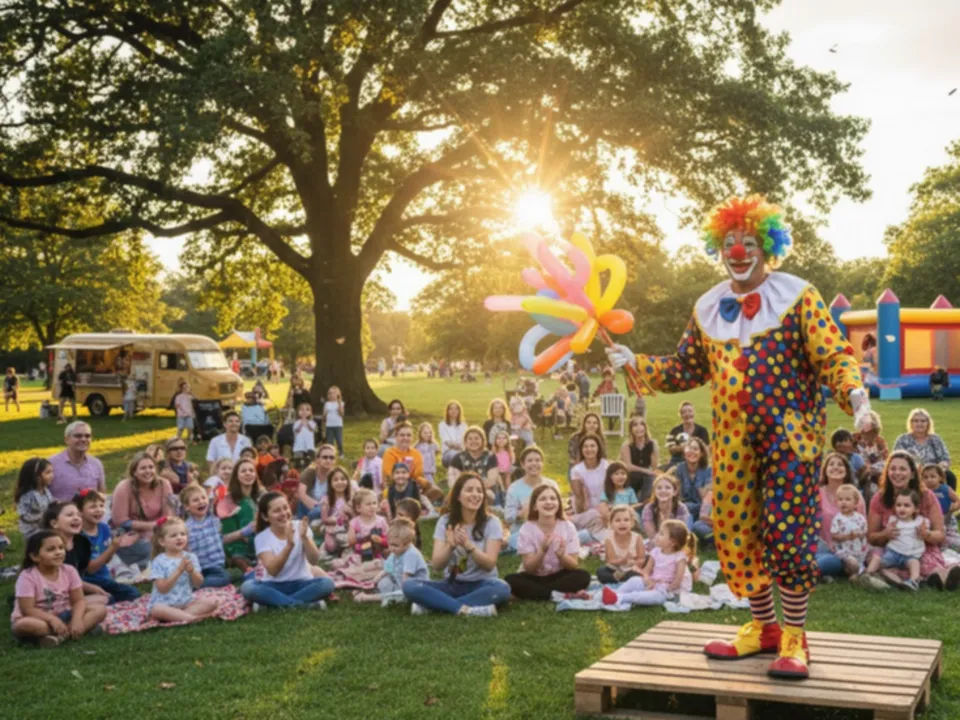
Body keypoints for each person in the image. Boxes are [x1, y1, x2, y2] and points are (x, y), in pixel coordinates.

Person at [607, 195, 870, 678]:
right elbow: (685, 366)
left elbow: (832, 354)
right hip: (731, 444)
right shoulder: (708, 305)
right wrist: (636, 362)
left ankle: (794, 637)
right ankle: (763, 627)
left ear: (767, 246)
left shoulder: (797, 295)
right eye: (730, 242)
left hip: (790, 440)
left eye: (749, 242)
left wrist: (854, 394)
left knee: (788, 535)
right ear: (719, 248)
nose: (739, 251)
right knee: (734, 531)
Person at [402, 473, 510, 616]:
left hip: (482, 584)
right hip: (452, 584)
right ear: (458, 496)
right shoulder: (445, 522)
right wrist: (450, 545)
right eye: (469, 490)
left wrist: (468, 545)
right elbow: (437, 565)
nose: (475, 494)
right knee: (409, 586)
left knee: (502, 588)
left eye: (479, 491)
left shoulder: (492, 522)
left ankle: (435, 605)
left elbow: (489, 564)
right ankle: (466, 609)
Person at [865, 450, 960, 591]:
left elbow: (940, 534)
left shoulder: (927, 496)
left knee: (925, 562)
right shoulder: (879, 498)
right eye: (893, 469)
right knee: (875, 557)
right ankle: (922, 578)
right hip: (890, 547)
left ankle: (939, 577)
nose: (897, 473)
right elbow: (871, 537)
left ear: (913, 474)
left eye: (903, 469)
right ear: (887, 472)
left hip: (919, 548)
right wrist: (885, 534)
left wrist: (926, 535)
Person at [11, 531, 107, 647]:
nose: (58, 552)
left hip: (65, 614)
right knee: (22, 625)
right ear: (35, 556)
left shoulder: (69, 570)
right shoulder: (27, 576)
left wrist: (77, 619)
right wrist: (52, 620)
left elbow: (78, 600)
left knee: (100, 610)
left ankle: (59, 635)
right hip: (39, 618)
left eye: (61, 548)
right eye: (51, 549)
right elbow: (28, 609)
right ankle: (77, 631)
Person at [240, 493, 335, 610]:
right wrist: (289, 545)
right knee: (248, 587)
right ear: (265, 517)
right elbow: (273, 571)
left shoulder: (301, 527)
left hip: (302, 583)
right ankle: (302, 605)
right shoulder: (261, 538)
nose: (284, 513)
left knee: (327, 583)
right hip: (274, 586)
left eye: (285, 508)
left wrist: (304, 537)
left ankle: (274, 605)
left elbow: (314, 560)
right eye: (277, 511)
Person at [505, 485, 591, 601]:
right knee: (510, 580)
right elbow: (529, 568)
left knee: (583, 576)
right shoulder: (527, 528)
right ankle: (556, 594)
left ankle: (541, 593)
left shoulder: (567, 527)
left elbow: (573, 565)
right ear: (535, 506)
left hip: (560, 575)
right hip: (534, 576)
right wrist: (541, 551)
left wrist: (562, 556)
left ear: (559, 504)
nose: (548, 502)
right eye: (543, 499)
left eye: (553, 498)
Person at [601, 519, 697, 607]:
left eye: (661, 534)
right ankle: (615, 593)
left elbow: (678, 580)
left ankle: (619, 598)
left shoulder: (679, 557)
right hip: (651, 583)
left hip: (665, 590)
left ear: (672, 542)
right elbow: (646, 571)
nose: (657, 536)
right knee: (635, 580)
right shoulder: (656, 551)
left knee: (647, 596)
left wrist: (667, 589)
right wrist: (647, 580)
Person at [110, 452, 176, 569]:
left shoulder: (164, 484)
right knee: (150, 549)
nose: (148, 471)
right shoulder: (124, 487)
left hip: (159, 531)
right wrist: (151, 526)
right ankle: (143, 564)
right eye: (143, 468)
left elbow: (168, 515)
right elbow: (119, 521)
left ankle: (149, 563)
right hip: (129, 534)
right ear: (134, 472)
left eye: (151, 467)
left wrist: (157, 530)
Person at [147, 517, 220, 622]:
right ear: (162, 541)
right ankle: (192, 618)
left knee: (212, 602)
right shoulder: (159, 561)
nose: (179, 538)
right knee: (156, 609)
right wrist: (178, 571)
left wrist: (192, 572)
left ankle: (177, 616)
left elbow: (199, 584)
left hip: (186, 603)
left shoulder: (191, 557)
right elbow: (162, 588)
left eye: (182, 534)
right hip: (165, 604)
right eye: (173, 535)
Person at [75, 489, 141, 602]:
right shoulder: (79, 536)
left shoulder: (104, 528)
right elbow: (90, 569)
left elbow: (106, 559)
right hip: (87, 581)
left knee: (133, 593)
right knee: (110, 599)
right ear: (80, 511)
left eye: (101, 506)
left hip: (104, 578)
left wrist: (118, 545)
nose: (99, 510)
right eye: (93, 507)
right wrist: (113, 548)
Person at [815, 452, 868, 581]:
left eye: (840, 465)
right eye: (831, 464)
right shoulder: (817, 494)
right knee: (822, 559)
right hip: (822, 547)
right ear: (825, 470)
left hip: (847, 550)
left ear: (847, 470)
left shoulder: (856, 496)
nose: (836, 467)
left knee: (830, 563)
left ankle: (821, 571)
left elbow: (862, 524)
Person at [354, 519, 429, 604]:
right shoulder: (395, 552)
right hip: (398, 583)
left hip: (414, 588)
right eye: (390, 544)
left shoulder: (411, 554)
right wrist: (374, 581)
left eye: (395, 545)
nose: (392, 548)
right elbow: (386, 570)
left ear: (407, 544)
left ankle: (368, 598)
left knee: (400, 595)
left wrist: (403, 592)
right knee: (383, 582)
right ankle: (376, 592)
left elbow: (406, 578)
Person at [864, 489, 926, 591]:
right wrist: (886, 532)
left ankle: (913, 581)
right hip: (893, 553)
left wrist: (924, 532)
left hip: (910, 556)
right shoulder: (893, 520)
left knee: (915, 564)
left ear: (916, 509)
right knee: (877, 559)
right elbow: (886, 533)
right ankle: (867, 574)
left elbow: (926, 532)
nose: (902, 508)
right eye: (898, 505)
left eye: (906, 505)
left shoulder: (920, 521)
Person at [503, 447, 560, 550]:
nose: (534, 464)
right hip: (523, 531)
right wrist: (521, 513)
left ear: (542, 463)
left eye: (537, 460)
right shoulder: (514, 488)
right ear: (523, 464)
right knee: (512, 540)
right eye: (530, 461)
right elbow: (508, 517)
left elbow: (560, 512)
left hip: (548, 528)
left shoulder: (551, 484)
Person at [218, 458, 264, 573]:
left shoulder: (260, 498)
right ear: (236, 476)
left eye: (251, 470)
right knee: (238, 558)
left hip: (259, 545)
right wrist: (244, 531)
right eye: (243, 471)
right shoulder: (228, 501)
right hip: (237, 549)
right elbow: (224, 539)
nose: (248, 473)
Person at [181, 485, 232, 588]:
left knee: (225, 576)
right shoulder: (186, 527)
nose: (201, 502)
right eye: (195, 500)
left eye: (203, 498)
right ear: (187, 506)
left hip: (216, 566)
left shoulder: (214, 520)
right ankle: (197, 584)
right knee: (226, 577)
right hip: (198, 569)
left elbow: (218, 503)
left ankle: (199, 584)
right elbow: (185, 549)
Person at [893, 408, 956, 490]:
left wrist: (941, 465)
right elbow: (896, 459)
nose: (919, 423)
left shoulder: (935, 439)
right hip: (911, 473)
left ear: (928, 423)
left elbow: (945, 458)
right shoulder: (903, 439)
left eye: (923, 421)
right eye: (916, 421)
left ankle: (950, 501)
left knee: (950, 476)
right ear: (911, 423)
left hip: (933, 473)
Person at [382, 422, 444, 503]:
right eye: (402, 435)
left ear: (412, 437)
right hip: (394, 486)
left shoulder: (416, 454)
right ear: (396, 437)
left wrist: (425, 483)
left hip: (414, 485)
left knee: (436, 491)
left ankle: (423, 505)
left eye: (408, 435)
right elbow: (391, 475)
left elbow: (418, 475)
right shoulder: (390, 453)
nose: (405, 438)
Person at [48, 421, 106, 501]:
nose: (83, 439)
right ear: (66, 439)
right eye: (78, 436)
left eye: (87, 436)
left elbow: (102, 495)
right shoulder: (51, 464)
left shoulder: (96, 464)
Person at [569, 434, 610, 541]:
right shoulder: (576, 470)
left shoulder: (606, 466)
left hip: (605, 506)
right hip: (586, 510)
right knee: (593, 515)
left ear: (598, 448)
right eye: (585, 446)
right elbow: (579, 500)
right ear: (581, 450)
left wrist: (605, 508)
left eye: (592, 446)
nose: (589, 449)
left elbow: (610, 492)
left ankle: (589, 533)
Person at [597, 505, 646, 584]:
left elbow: (642, 558)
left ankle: (621, 578)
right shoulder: (609, 539)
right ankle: (620, 578)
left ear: (632, 523)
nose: (622, 523)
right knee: (601, 571)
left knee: (636, 573)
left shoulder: (637, 537)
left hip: (633, 568)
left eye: (626, 520)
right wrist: (623, 560)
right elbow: (610, 560)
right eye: (618, 520)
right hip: (616, 569)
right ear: (611, 524)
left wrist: (634, 563)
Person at [829, 484, 870, 579]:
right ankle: (853, 575)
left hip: (859, 550)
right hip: (844, 552)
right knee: (852, 563)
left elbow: (865, 531)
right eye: (840, 500)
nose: (843, 502)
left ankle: (862, 572)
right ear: (836, 502)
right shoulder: (838, 519)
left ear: (855, 503)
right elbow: (834, 536)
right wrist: (847, 536)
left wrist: (860, 534)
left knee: (865, 561)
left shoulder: (860, 518)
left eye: (847, 499)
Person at [641, 474, 691, 545]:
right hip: (656, 541)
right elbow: (651, 533)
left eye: (667, 488)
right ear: (654, 492)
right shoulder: (648, 508)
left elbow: (678, 532)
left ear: (675, 492)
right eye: (659, 488)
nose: (663, 491)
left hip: (675, 542)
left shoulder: (681, 508)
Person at [618, 416, 659, 502]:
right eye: (635, 425)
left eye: (641, 424)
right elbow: (628, 467)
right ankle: (630, 501)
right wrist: (646, 470)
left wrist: (650, 471)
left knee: (651, 478)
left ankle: (644, 502)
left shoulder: (652, 444)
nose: (639, 427)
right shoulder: (627, 445)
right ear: (631, 430)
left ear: (645, 427)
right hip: (631, 474)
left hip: (646, 475)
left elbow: (654, 467)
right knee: (635, 475)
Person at [672, 437, 712, 522]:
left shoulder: (709, 471)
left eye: (695, 449)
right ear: (684, 453)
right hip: (684, 510)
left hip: (703, 512)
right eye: (689, 449)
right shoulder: (679, 469)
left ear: (701, 454)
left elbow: (705, 497)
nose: (692, 452)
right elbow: (678, 496)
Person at [921, 464, 960, 550]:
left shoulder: (946, 489)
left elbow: (958, 501)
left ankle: (949, 542)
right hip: (931, 521)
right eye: (925, 477)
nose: (929, 479)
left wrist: (953, 507)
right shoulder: (923, 491)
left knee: (952, 539)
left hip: (947, 519)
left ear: (941, 477)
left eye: (933, 476)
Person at [318, 467, 354, 556]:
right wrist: (338, 519)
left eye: (343, 479)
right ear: (330, 483)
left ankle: (346, 551)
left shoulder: (351, 498)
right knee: (331, 547)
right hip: (333, 527)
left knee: (350, 542)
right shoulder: (326, 500)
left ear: (347, 481)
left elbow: (355, 516)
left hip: (348, 527)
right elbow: (324, 519)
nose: (340, 482)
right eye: (336, 480)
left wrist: (350, 515)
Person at [346, 489, 390, 564]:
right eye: (368, 504)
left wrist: (381, 540)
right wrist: (362, 537)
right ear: (358, 508)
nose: (372, 506)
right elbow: (350, 542)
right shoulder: (354, 522)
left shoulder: (381, 521)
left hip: (379, 550)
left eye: (374, 503)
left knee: (389, 554)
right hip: (361, 552)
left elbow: (389, 538)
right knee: (354, 560)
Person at [852, 409, 888, 501]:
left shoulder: (880, 442)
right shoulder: (854, 439)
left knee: (873, 488)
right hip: (857, 474)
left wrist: (873, 470)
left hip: (875, 476)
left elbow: (885, 461)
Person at [16, 458, 55, 539]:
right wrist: (42, 517)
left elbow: (49, 504)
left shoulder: (46, 491)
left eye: (52, 472)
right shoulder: (28, 495)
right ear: (37, 477)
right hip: (32, 532)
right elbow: (23, 514)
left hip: (45, 528)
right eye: (48, 472)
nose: (52, 475)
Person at [206, 411, 253, 475]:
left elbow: (249, 461)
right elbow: (210, 461)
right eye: (231, 421)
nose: (234, 423)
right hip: (221, 476)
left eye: (237, 421)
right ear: (224, 424)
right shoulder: (215, 441)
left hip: (240, 476)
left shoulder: (246, 441)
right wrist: (215, 476)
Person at [297, 444, 338, 517]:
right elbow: (301, 494)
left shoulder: (336, 475)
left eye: (332, 458)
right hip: (308, 506)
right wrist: (319, 508)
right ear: (317, 459)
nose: (328, 460)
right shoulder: (310, 472)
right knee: (301, 503)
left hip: (328, 508)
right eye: (325, 457)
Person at [665, 402, 710, 467]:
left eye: (690, 411)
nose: (687, 414)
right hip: (677, 462)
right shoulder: (674, 430)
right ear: (680, 415)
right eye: (684, 412)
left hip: (696, 461)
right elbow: (670, 450)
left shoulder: (702, 430)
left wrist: (693, 449)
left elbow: (706, 451)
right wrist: (682, 447)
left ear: (694, 413)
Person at [439, 401, 468, 481]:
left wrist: (460, 446)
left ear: (459, 411)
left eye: (456, 409)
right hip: (447, 454)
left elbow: (466, 442)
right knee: (456, 456)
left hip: (461, 452)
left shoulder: (463, 425)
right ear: (447, 411)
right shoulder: (442, 425)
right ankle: (455, 480)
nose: (453, 411)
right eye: (451, 409)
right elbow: (448, 443)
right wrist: (460, 446)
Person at [490, 430, 514, 504]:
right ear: (495, 440)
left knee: (508, 475)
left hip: (507, 472)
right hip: (497, 472)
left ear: (507, 440)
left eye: (504, 438)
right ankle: (502, 494)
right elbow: (493, 466)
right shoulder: (493, 453)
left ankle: (508, 495)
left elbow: (511, 463)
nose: (501, 440)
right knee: (498, 476)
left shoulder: (509, 452)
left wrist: (507, 469)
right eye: (499, 438)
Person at [292, 402, 318, 468]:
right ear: (298, 412)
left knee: (310, 461)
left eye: (307, 410)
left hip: (309, 445)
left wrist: (307, 424)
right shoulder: (296, 422)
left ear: (310, 413)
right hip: (299, 445)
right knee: (298, 461)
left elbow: (312, 430)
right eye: (301, 409)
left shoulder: (312, 422)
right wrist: (301, 424)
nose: (304, 411)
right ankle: (299, 463)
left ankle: (307, 463)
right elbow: (296, 430)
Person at [322, 386, 345, 456]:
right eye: (330, 393)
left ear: (338, 395)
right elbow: (324, 417)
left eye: (334, 393)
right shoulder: (327, 404)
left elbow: (342, 414)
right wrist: (325, 413)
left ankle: (341, 453)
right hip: (329, 426)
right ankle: (331, 454)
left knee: (339, 441)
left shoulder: (341, 403)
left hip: (338, 425)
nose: (332, 395)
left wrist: (340, 407)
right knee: (329, 441)